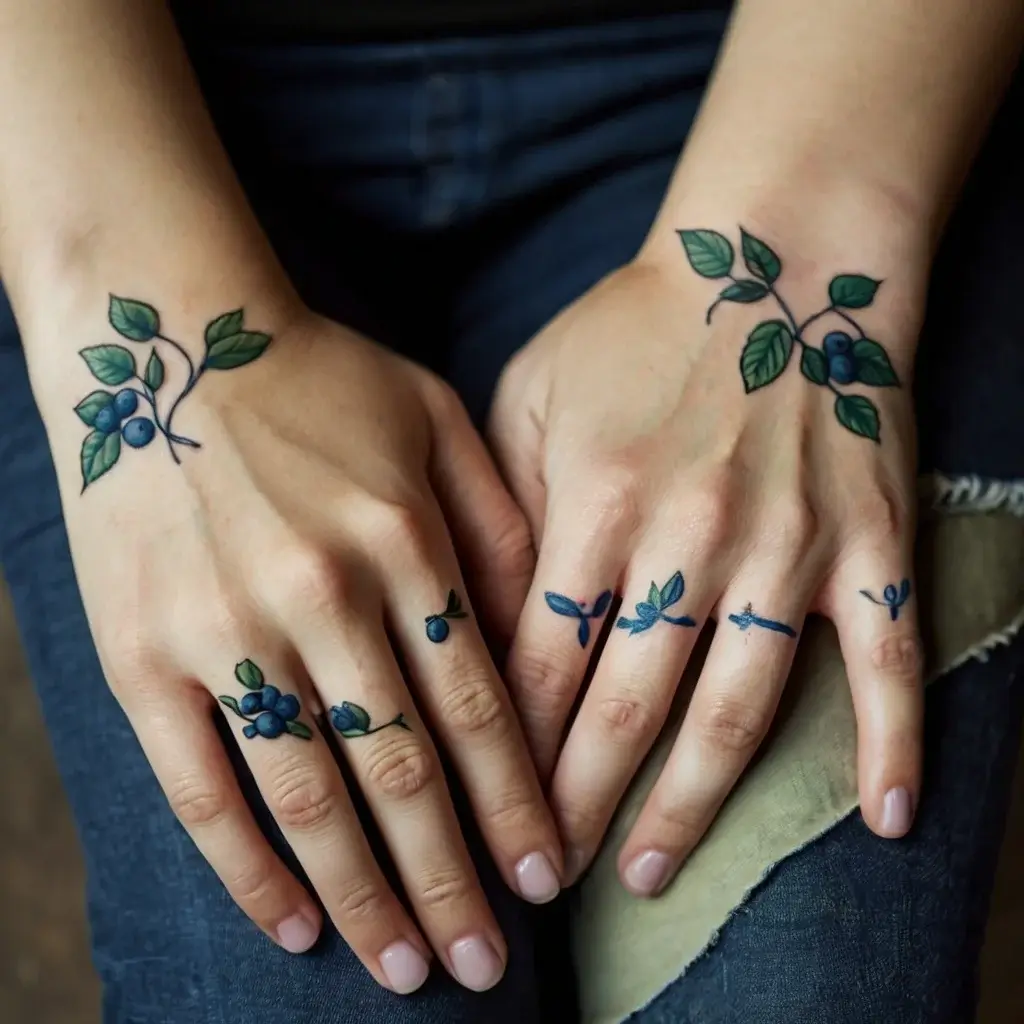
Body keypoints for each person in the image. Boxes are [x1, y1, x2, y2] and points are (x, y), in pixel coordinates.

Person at [1, 1, 1022, 1021]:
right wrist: (110, 281)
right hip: (120, 113)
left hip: (801, 77)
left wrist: (804, 239)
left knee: (812, 984)